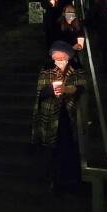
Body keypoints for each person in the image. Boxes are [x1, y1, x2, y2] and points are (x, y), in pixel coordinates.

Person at [31, 41, 86, 192]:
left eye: (63, 57)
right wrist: (51, 89)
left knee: (68, 147)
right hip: (50, 115)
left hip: (68, 115)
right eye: (57, 58)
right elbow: (40, 93)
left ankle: (69, 180)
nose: (60, 61)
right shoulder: (47, 70)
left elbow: (82, 87)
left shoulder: (75, 69)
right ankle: (53, 180)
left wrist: (69, 89)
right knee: (51, 149)